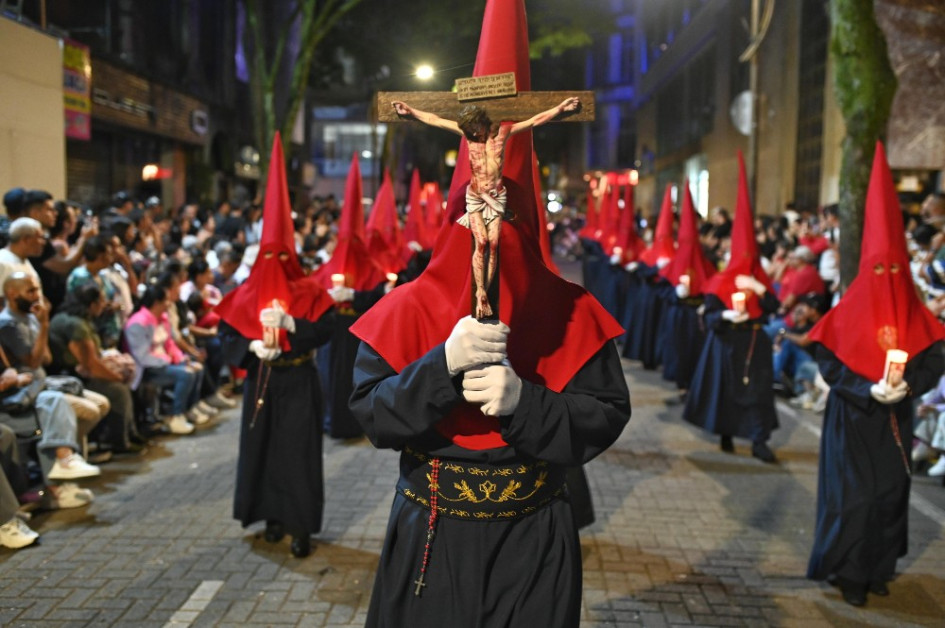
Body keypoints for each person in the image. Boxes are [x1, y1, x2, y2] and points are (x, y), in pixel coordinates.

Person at [352, 5, 629, 624]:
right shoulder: (407, 306)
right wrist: (441, 364)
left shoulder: (573, 310)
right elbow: (372, 412)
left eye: (502, 217)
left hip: (533, 540)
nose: (489, 231)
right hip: (431, 533)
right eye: (477, 216)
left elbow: (606, 415)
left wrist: (525, 403)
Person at [806, 143, 945, 607]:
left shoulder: (917, 311)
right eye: (878, 268)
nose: (886, 276)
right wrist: (864, 386)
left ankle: (879, 566)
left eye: (894, 268)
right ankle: (848, 570)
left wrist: (908, 387)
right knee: (855, 500)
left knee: (889, 497)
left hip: (896, 420)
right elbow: (827, 358)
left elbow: (933, 354)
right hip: (852, 420)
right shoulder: (846, 313)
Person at [216, 133, 337, 559]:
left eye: (280, 258)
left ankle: (301, 524)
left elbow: (327, 330)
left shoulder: (308, 291)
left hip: (300, 377)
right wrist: (251, 347)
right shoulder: (245, 293)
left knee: (298, 454)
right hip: (262, 381)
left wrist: (294, 324)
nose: (273, 268)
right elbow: (226, 333)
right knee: (262, 448)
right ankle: (269, 516)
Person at [392, 95, 580, 318]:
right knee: (480, 242)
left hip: (496, 196)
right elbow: (436, 120)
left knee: (492, 244)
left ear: (483, 123)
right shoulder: (470, 139)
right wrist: (412, 111)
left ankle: (486, 291)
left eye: (475, 126)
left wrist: (560, 107)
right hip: (476, 197)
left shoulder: (502, 134)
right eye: (469, 128)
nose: (473, 131)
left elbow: (534, 120)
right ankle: (480, 291)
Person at [683, 152, 780, 463]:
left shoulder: (759, 278)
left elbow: (774, 307)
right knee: (725, 391)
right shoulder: (721, 281)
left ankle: (758, 440)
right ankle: (726, 432)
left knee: (759, 392)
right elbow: (710, 314)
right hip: (726, 342)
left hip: (755, 340)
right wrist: (726, 313)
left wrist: (760, 289)